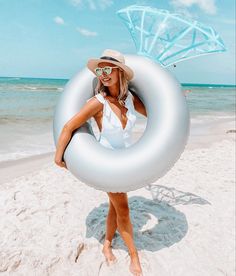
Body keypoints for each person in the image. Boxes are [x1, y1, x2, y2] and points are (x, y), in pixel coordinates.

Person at [54, 49, 147, 276]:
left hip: (125, 162)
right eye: (100, 70)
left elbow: (157, 113)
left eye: (107, 69)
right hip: (105, 165)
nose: (103, 74)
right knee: (123, 209)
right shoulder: (98, 102)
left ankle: (107, 244)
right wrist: (59, 156)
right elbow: (69, 126)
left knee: (115, 207)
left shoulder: (130, 100)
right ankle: (134, 257)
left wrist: (176, 98)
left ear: (119, 72)